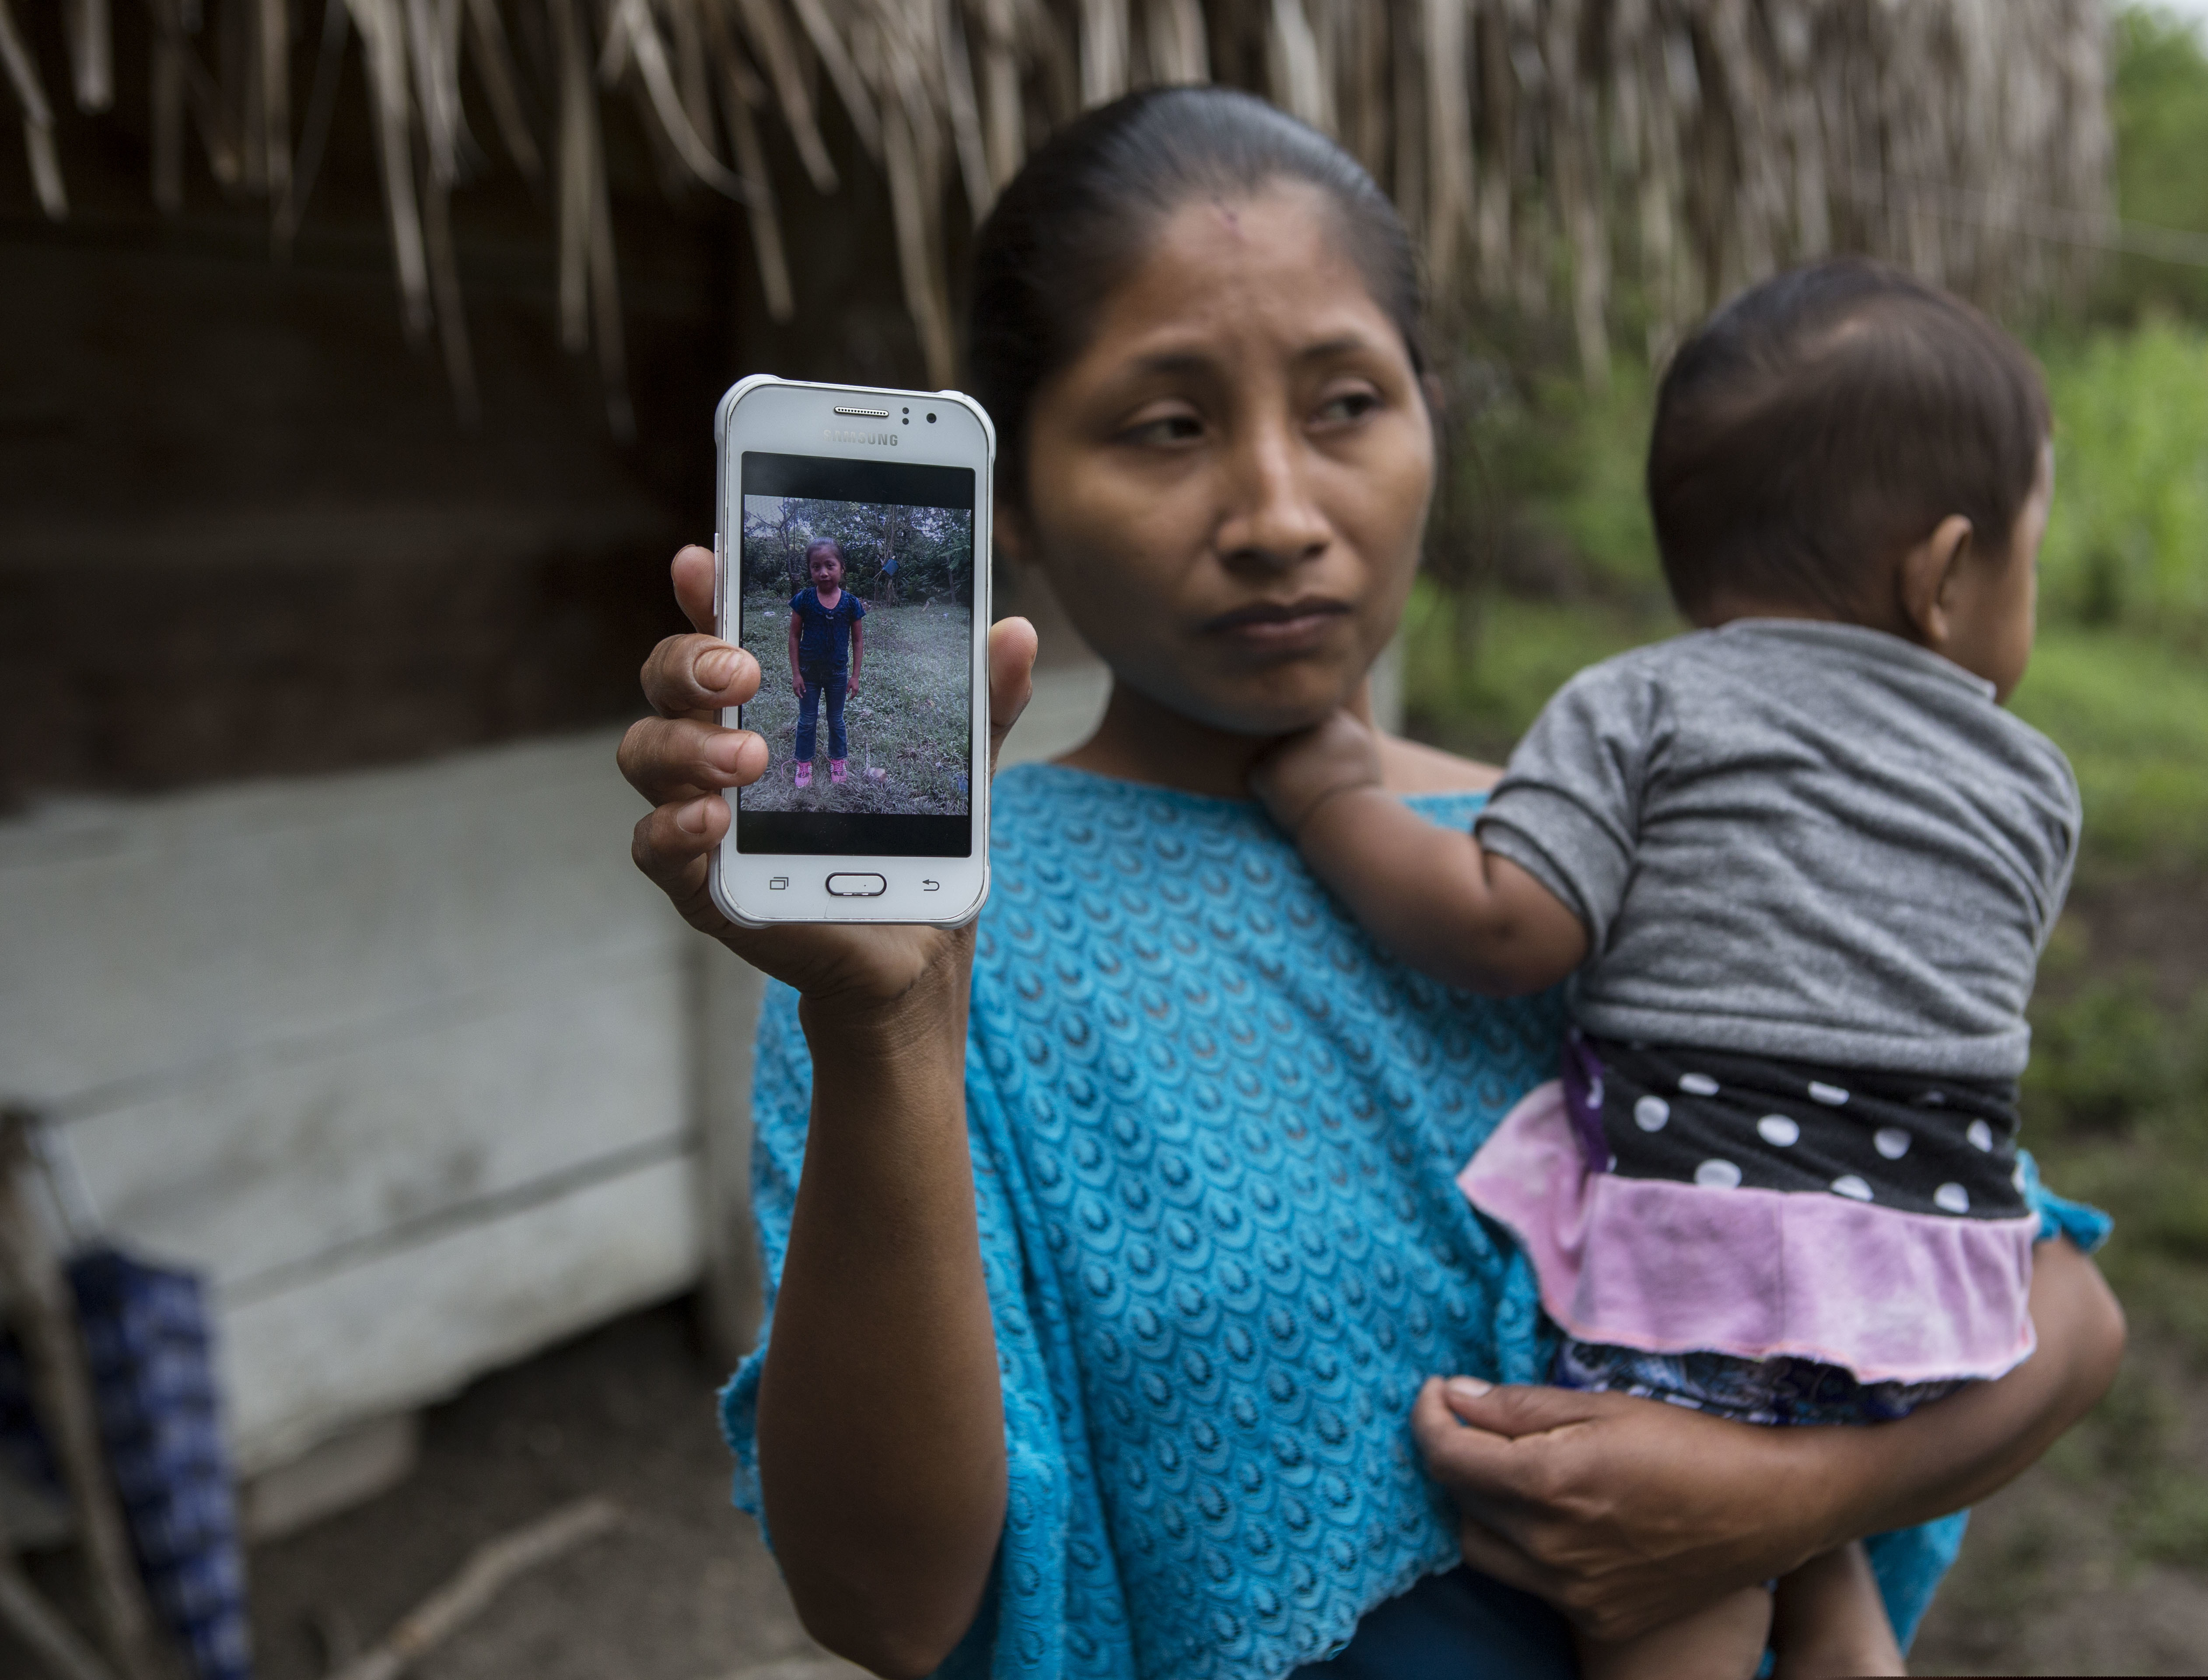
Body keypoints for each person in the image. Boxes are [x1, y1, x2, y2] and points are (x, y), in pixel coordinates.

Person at [616, 88, 2125, 1680]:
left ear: (1427, 420)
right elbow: (884, 1604)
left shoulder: (1605, 852)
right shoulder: (934, 954)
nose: (1278, 516)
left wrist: (1776, 1503)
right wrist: (892, 1030)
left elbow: (2061, 1307)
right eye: (1165, 425)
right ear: (1018, 505)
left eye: (1344, 403)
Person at [1249, 257, 2096, 1678]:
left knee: (1679, 1605)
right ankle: (1837, 1619)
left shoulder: (1643, 700)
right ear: (1946, 575)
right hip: (1935, 1294)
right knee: (1816, 1516)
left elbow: (1511, 927)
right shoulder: (2035, 785)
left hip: (1711, 1271)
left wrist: (1331, 794)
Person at [787, 538, 865, 789]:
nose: (823, 572)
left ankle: (838, 759)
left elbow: (858, 641)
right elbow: (793, 636)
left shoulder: (851, 604)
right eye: (816, 566)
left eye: (830, 566)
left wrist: (855, 676)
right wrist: (796, 673)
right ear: (810, 570)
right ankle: (804, 762)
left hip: (836, 675)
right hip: (808, 674)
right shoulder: (804, 600)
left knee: (836, 719)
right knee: (807, 719)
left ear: (842, 568)